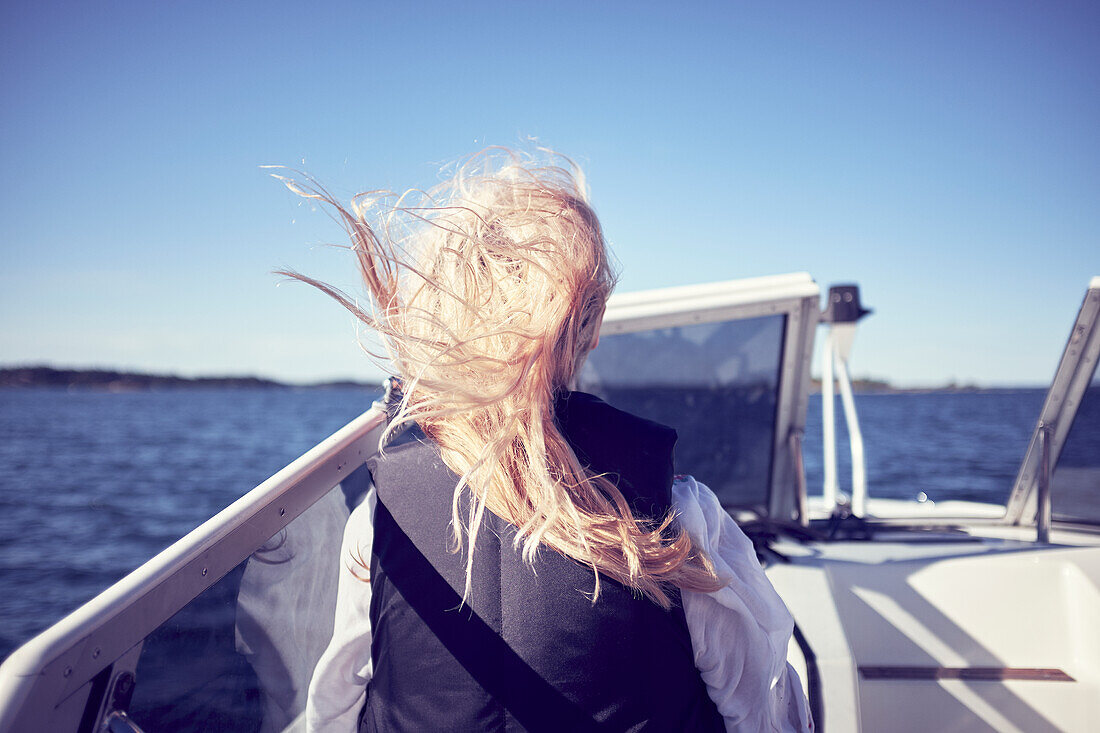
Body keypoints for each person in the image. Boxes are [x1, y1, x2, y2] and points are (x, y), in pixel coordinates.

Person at [282, 149, 812, 732]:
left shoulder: (381, 517)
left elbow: (332, 708)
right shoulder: (680, 514)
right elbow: (762, 706)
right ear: (588, 331)